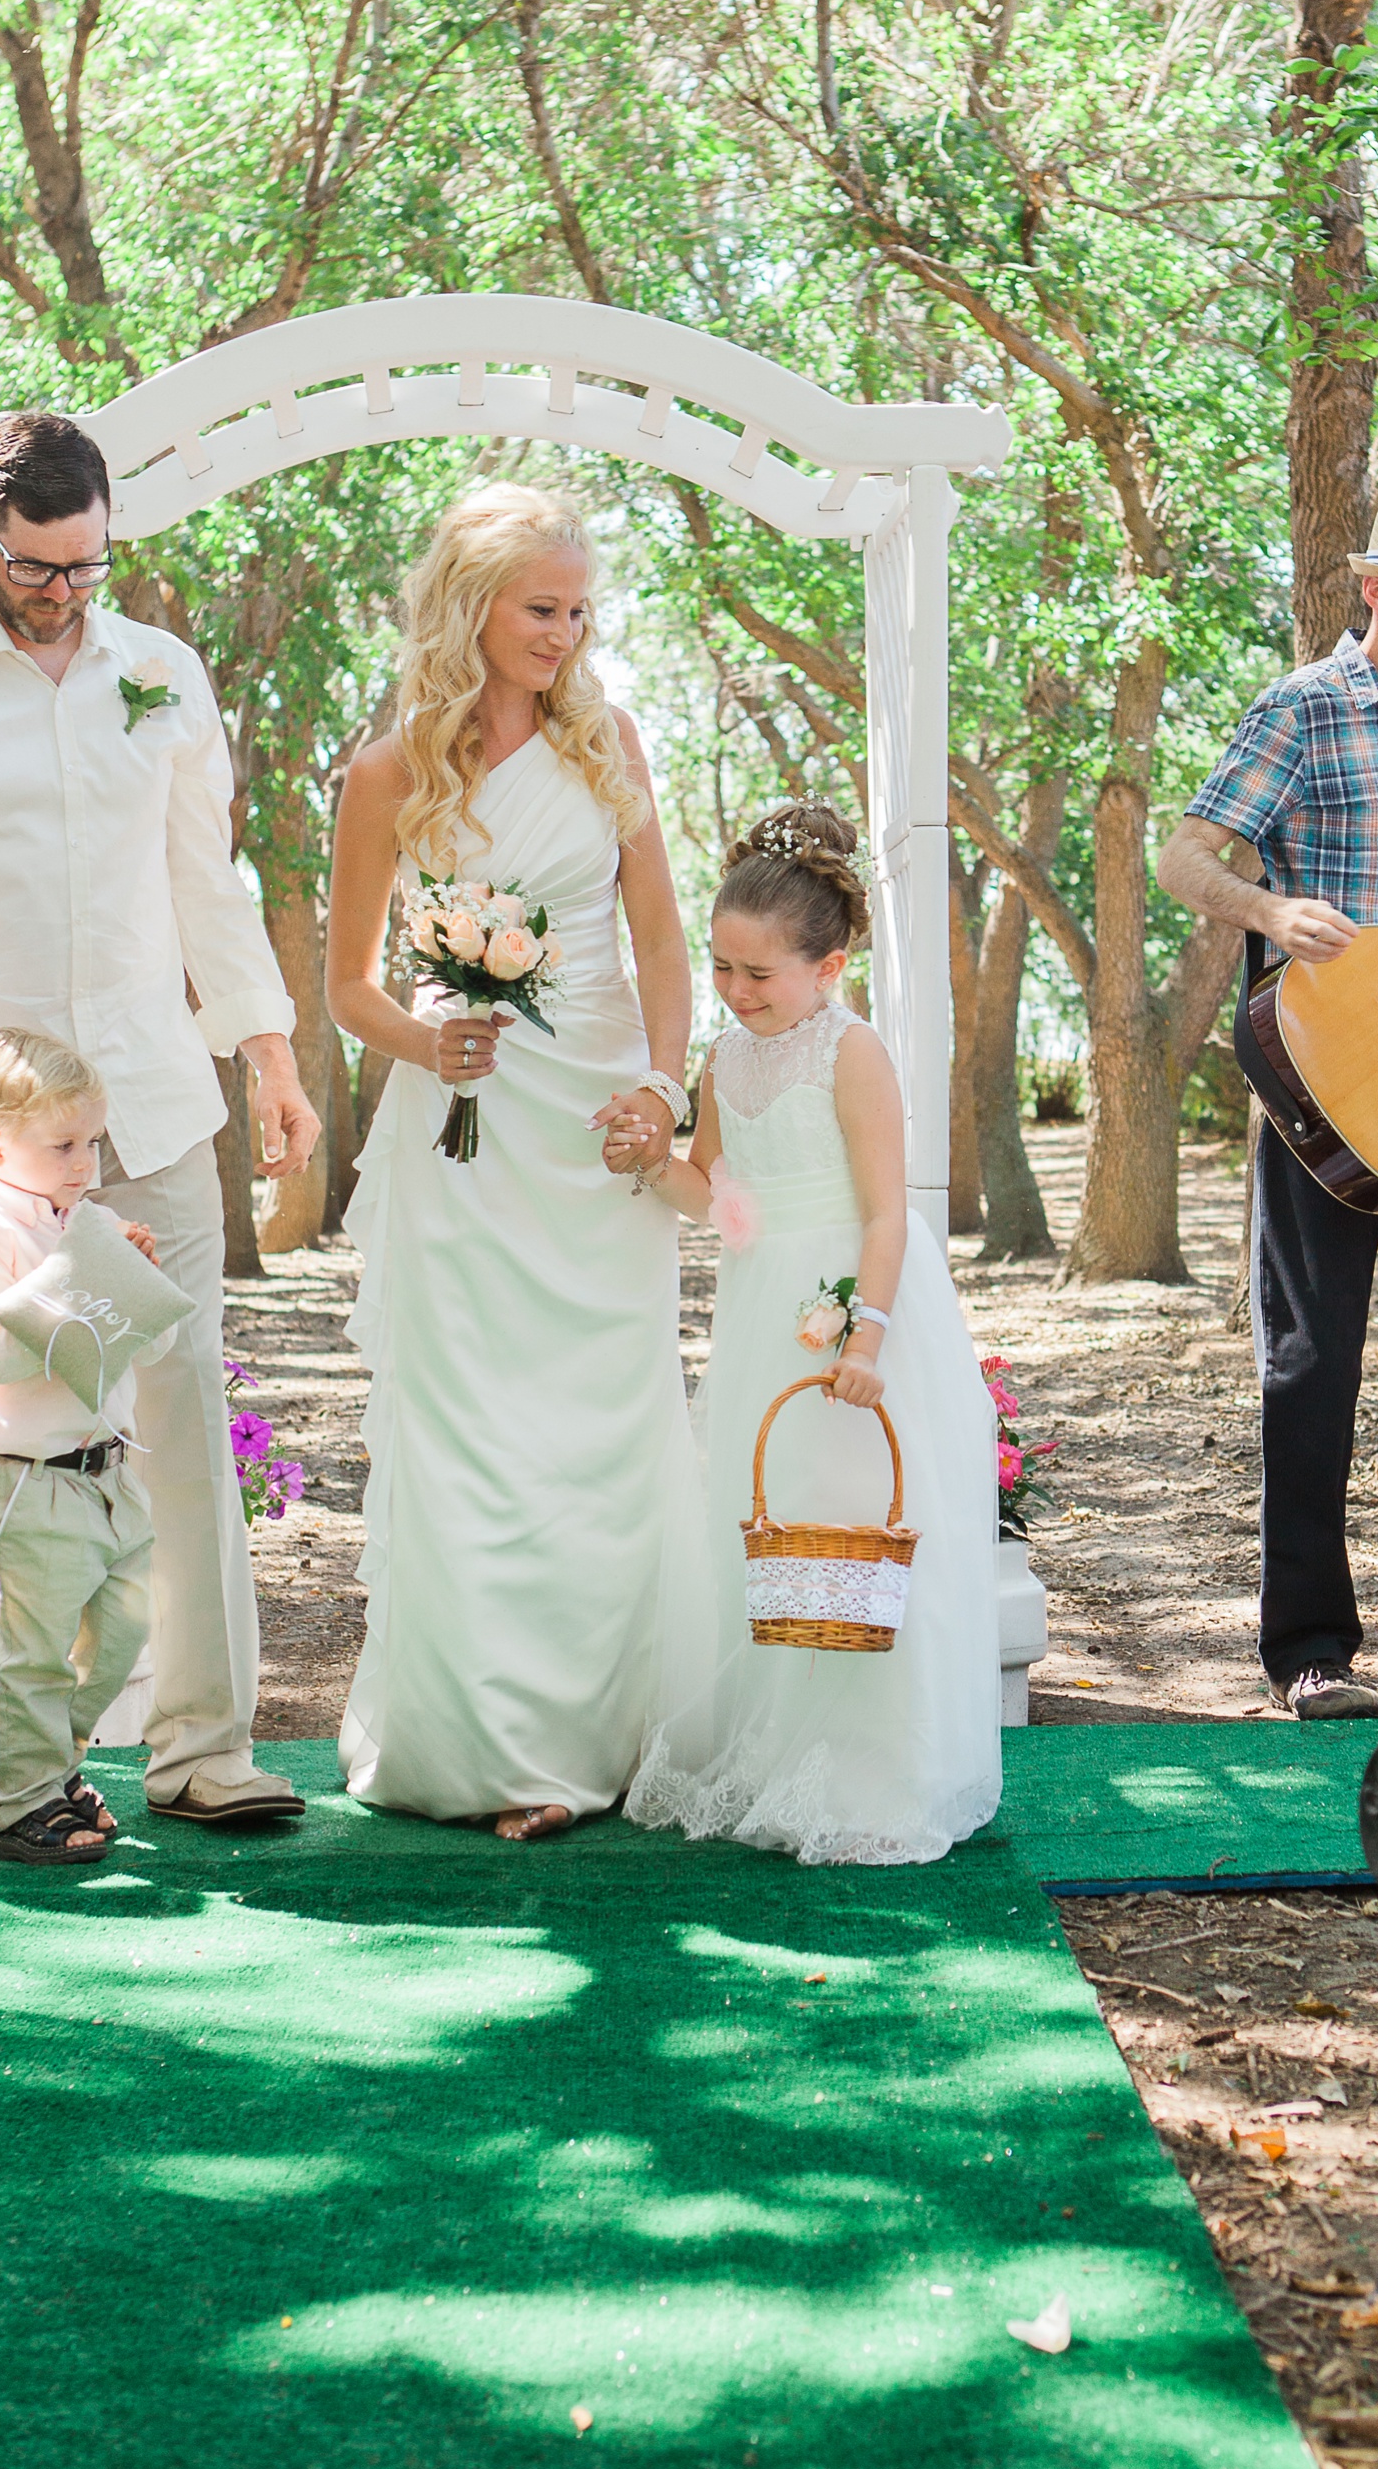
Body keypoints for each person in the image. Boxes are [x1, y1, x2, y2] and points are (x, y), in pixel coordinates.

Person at [0, 411, 319, 1830]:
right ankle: (0, 1759)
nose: (66, 591)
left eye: (90, 565)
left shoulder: (160, 676)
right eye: (41, 568)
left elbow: (208, 884)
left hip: (152, 1114)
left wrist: (269, 1053)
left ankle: (202, 1746)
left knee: (181, 1427)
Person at [324, 483, 698, 1838]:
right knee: (473, 1428)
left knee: (601, 1428)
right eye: (543, 607)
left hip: (598, 1135)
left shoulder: (612, 745)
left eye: (580, 609)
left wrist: (665, 1085)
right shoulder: (384, 777)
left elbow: (663, 941)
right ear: (472, 608)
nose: (566, 632)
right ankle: (482, 1744)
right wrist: (429, 1043)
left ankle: (609, 1737)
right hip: (465, 1137)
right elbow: (349, 987)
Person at [1158, 491, 1378, 1722]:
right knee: (1309, 1369)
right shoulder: (1301, 709)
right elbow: (1183, 853)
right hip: (1323, 1093)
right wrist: (1267, 911)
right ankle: (1308, 1648)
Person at [625, 806, 1001, 1864]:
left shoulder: (853, 1051)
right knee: (776, 1520)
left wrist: (866, 1338)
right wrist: (651, 1167)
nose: (739, 992)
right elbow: (720, 1191)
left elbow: (888, 1208)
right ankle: (780, 1740)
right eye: (723, 969)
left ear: (830, 964)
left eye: (761, 974)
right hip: (762, 1306)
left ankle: (874, 1762)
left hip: (856, 1301)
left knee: (856, 1518)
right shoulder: (722, 1058)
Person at [0, 1030, 183, 1866]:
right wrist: (68, 1286)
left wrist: (129, 1278)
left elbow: (133, 1348)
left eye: (93, 1142)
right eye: (64, 1145)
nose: (84, 1162)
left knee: (123, 1629)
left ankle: (53, 1764)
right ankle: (23, 1806)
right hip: (29, 1479)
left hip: (108, 1470)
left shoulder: (96, 1222)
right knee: (36, 1648)